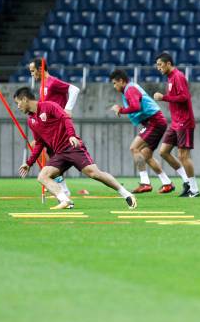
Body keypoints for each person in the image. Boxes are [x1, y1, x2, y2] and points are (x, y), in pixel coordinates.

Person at [14, 87, 137, 210]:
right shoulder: (31, 121)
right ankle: (65, 200)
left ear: (24, 99)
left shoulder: (49, 106)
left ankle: (126, 194)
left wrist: (72, 135)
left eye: (17, 102)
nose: (18, 106)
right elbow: (39, 143)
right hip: (59, 154)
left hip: (71, 146)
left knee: (94, 173)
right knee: (42, 176)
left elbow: (65, 117)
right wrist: (29, 163)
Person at [109, 69, 173, 194]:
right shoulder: (129, 89)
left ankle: (145, 183)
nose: (114, 86)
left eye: (114, 83)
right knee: (147, 155)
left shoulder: (130, 89)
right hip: (154, 121)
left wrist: (120, 110)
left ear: (121, 81)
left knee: (134, 148)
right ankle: (167, 183)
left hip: (154, 122)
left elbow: (136, 107)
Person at [28, 58, 81, 197]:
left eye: (33, 71)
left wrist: (68, 109)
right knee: (49, 154)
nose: (32, 74)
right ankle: (63, 189)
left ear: (40, 69)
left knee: (41, 148)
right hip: (50, 126)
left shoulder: (52, 82)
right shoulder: (42, 85)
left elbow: (75, 90)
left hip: (59, 125)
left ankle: (62, 188)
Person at [153, 52, 200, 197]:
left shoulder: (178, 76)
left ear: (168, 63)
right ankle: (186, 180)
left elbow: (185, 97)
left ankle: (194, 189)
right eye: (157, 66)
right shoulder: (170, 78)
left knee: (183, 156)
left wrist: (164, 97)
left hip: (184, 122)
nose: (158, 68)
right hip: (175, 122)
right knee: (163, 151)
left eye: (160, 65)